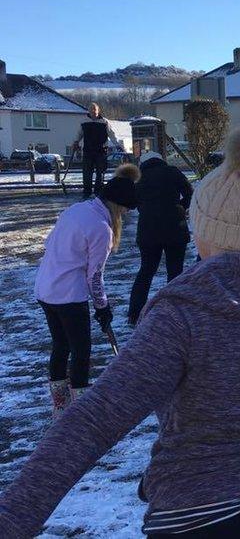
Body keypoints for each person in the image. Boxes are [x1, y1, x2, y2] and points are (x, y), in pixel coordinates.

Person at [0, 121, 240, 538]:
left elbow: (97, 418)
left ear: (202, 227)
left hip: (200, 516)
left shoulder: (180, 316)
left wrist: (12, 520)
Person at [34, 164, 140, 417]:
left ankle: (61, 407)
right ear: (117, 205)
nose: (124, 216)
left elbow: (50, 243)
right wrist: (103, 307)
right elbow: (95, 276)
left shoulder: (76, 209)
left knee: (61, 345)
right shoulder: (101, 228)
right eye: (124, 210)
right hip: (69, 295)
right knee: (81, 351)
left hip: (45, 288)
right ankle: (78, 410)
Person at [127, 151, 193, 325]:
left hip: (148, 230)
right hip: (175, 227)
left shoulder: (139, 177)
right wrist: (181, 207)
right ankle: (174, 311)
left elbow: (133, 202)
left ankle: (134, 313)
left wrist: (146, 209)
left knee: (146, 271)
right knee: (175, 271)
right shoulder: (172, 171)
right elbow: (189, 192)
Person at [72, 103, 123, 199]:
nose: (93, 111)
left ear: (98, 110)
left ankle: (98, 192)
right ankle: (87, 192)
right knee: (87, 173)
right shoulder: (84, 122)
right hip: (88, 151)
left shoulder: (104, 122)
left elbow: (111, 135)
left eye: (95, 109)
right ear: (89, 111)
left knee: (100, 173)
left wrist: (117, 145)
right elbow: (79, 134)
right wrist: (76, 142)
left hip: (101, 151)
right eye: (91, 109)